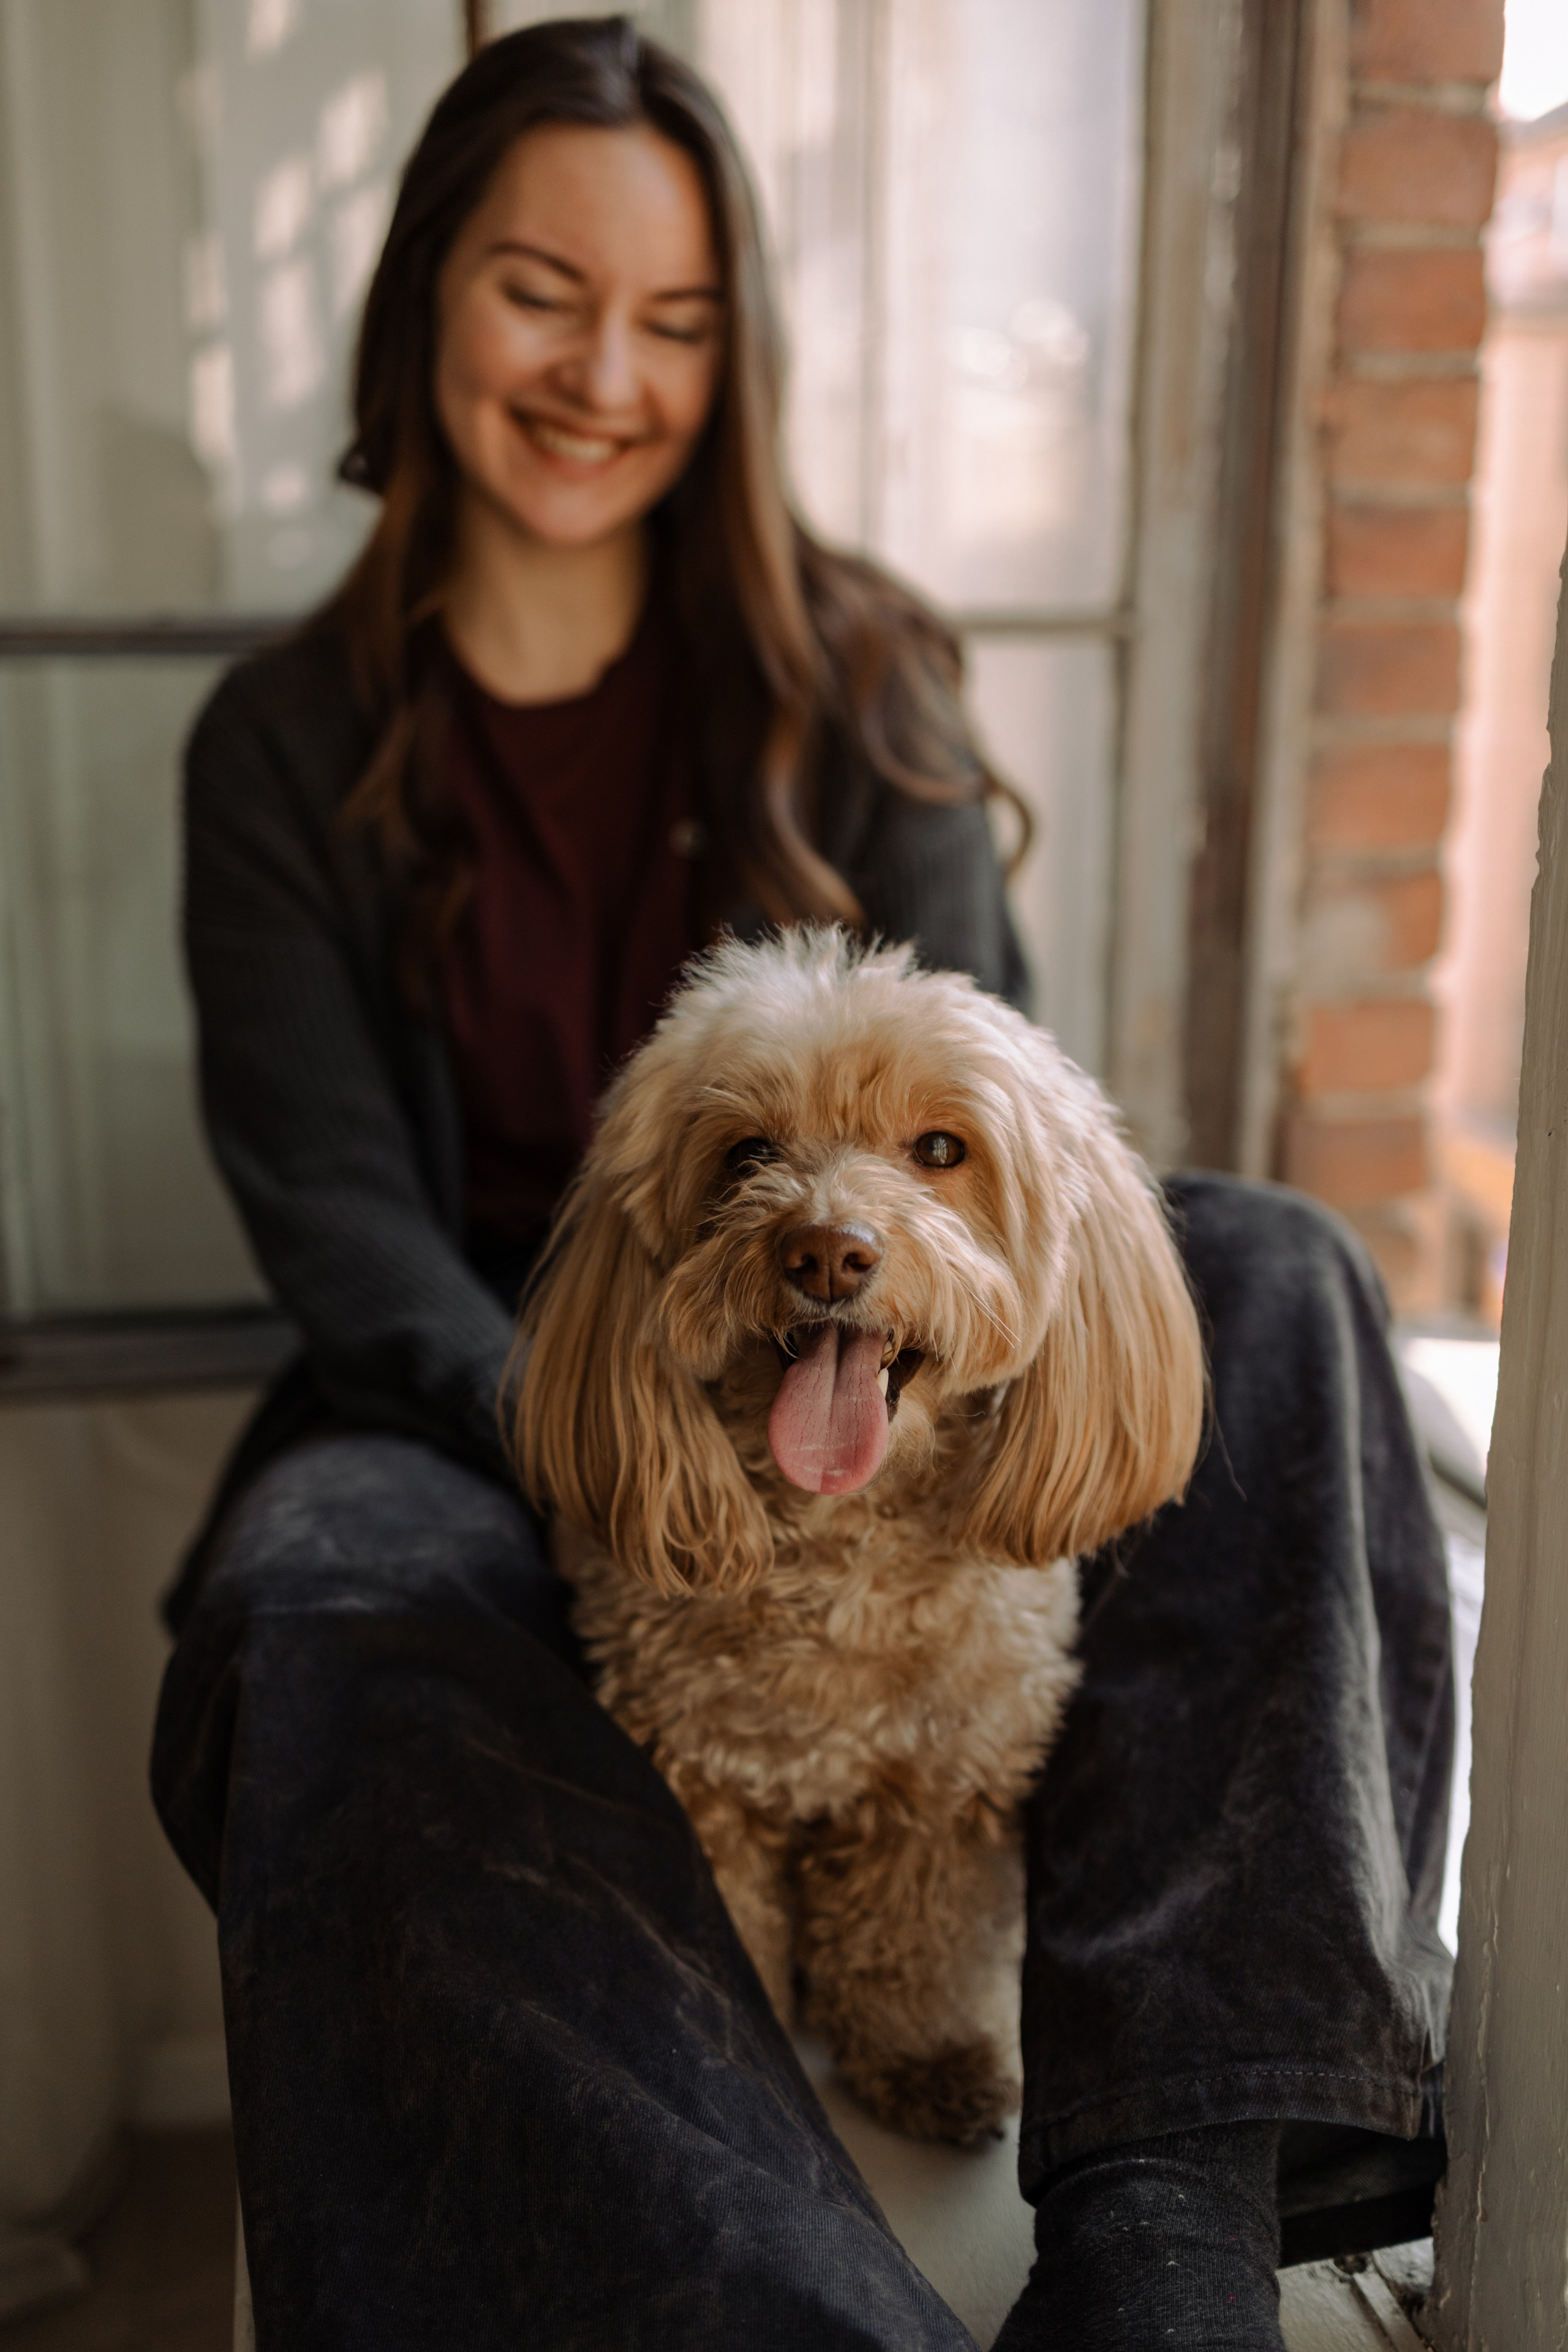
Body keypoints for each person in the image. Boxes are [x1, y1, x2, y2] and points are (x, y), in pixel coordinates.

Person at [151, 19, 1453, 2350]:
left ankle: (1172, 2228)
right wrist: (618, 1437)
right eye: (544, 293)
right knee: (329, 1606)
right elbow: (338, 1214)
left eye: (674, 321)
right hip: (469, 1389)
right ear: (426, 294)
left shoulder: (865, 677)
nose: (602, 374)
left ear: (737, 361)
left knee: (1261, 1264)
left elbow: (1003, 1145)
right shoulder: (282, 742)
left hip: (889, 1373)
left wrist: (861, 1400)